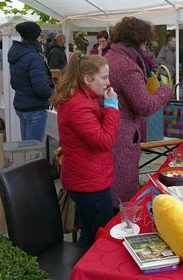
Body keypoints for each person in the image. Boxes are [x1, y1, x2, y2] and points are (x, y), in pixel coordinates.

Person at [52, 52, 120, 249]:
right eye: (104, 77)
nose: (108, 82)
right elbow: (104, 141)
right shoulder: (78, 105)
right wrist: (111, 107)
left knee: (90, 231)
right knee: (95, 234)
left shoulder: (83, 98)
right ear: (87, 79)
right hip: (89, 182)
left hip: (89, 177)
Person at [105, 16, 172, 207]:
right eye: (145, 43)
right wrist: (165, 91)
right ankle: (118, 227)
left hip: (113, 130)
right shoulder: (128, 66)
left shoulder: (110, 56)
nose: (146, 48)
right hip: (122, 136)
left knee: (112, 183)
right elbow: (144, 105)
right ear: (140, 41)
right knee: (121, 191)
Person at [8, 22, 54, 142]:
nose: (41, 39)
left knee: (26, 147)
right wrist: (53, 94)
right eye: (40, 35)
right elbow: (40, 87)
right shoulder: (34, 56)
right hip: (34, 107)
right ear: (35, 37)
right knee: (33, 150)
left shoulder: (18, 53)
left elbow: (14, 83)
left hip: (21, 104)